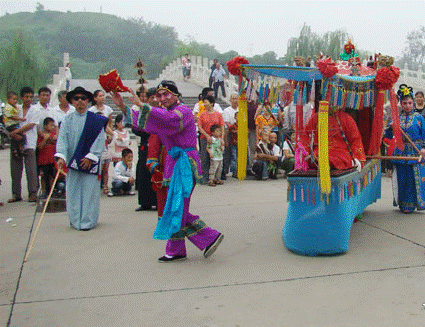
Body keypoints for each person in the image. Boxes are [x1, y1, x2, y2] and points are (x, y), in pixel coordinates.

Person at [131, 80, 224, 262]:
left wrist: (143, 106)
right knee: (174, 205)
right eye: (160, 95)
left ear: (176, 95)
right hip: (173, 162)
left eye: (166, 94)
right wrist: (125, 107)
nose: (163, 98)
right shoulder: (166, 113)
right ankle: (202, 239)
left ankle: (192, 243)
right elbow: (147, 126)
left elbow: (168, 121)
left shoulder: (183, 112)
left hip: (185, 162)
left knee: (177, 206)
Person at [55, 86, 108, 231]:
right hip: (73, 162)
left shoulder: (96, 121)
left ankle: (88, 221)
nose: (80, 101)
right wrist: (61, 157)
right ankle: (75, 220)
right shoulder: (67, 120)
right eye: (76, 98)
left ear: (88, 101)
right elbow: (62, 140)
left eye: (83, 98)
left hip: (89, 162)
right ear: (72, 101)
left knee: (89, 192)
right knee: (73, 191)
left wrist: (90, 157)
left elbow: (99, 140)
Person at [112, 87, 158, 211]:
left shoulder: (162, 112)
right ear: (148, 99)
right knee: (143, 174)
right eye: (151, 97)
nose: (154, 100)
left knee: (157, 175)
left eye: (156, 97)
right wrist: (121, 105)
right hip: (145, 146)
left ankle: (159, 202)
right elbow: (134, 120)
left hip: (159, 149)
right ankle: (145, 202)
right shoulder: (143, 112)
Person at [386, 85, 425, 213]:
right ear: (401, 104)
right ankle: (402, 204)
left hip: (415, 151)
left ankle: (413, 204)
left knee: (413, 179)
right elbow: (387, 135)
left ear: (413, 103)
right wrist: (389, 128)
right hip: (401, 152)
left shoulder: (419, 118)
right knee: (402, 178)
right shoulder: (396, 119)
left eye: (409, 103)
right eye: (404, 103)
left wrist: (424, 148)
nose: (407, 105)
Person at [300, 104, 366, 171]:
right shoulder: (315, 118)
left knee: (334, 160)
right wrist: (305, 153)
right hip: (318, 152)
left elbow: (356, 141)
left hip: (340, 153)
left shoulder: (346, 118)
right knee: (312, 159)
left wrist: (357, 157)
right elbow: (305, 137)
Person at [8, 87, 40, 203]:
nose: (29, 99)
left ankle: (33, 193)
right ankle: (16, 194)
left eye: (31, 97)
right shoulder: (16, 109)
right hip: (16, 142)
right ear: (22, 97)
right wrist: (12, 133)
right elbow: (9, 121)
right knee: (15, 169)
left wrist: (16, 131)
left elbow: (31, 124)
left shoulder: (35, 110)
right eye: (26, 97)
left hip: (29, 142)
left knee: (31, 169)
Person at [89, 90, 113, 194]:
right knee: (95, 164)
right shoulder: (91, 110)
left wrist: (110, 134)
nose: (102, 97)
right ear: (95, 98)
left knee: (106, 165)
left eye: (103, 96)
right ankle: (94, 185)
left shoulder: (108, 109)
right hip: (94, 140)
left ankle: (105, 185)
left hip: (105, 139)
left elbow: (110, 122)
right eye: (100, 96)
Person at [197, 95, 225, 184]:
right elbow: (200, 127)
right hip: (205, 139)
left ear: (212, 103)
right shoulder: (202, 115)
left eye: (206, 102)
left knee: (216, 158)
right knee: (205, 157)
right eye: (204, 103)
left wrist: (222, 139)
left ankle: (216, 178)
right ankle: (205, 177)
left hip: (216, 139)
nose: (204, 104)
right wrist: (207, 135)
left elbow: (222, 127)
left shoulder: (218, 114)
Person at [37, 117, 58, 197]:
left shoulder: (53, 135)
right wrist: (45, 139)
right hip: (44, 159)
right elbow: (39, 146)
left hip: (52, 159)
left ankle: (52, 191)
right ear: (45, 126)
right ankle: (44, 191)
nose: (52, 127)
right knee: (43, 176)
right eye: (51, 125)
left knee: (52, 175)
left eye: (53, 125)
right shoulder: (41, 135)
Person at [3, 91, 26, 159]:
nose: (15, 101)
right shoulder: (8, 107)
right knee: (20, 137)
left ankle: (19, 150)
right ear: (8, 99)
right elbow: (11, 116)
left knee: (20, 138)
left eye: (16, 99)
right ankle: (18, 150)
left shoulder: (14, 107)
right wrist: (20, 119)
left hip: (14, 125)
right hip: (10, 125)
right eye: (13, 99)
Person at [221, 93, 238, 179]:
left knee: (237, 155)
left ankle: (237, 171)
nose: (235, 100)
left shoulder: (241, 109)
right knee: (228, 154)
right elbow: (227, 124)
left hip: (239, 135)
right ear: (230, 100)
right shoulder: (227, 110)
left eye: (236, 98)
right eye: (233, 99)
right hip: (230, 133)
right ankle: (225, 171)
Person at [228, 111, 238, 178]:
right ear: (235, 117)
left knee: (239, 157)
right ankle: (234, 172)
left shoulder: (243, 125)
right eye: (237, 116)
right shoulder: (233, 126)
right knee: (234, 157)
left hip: (241, 144)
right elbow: (229, 131)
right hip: (234, 143)